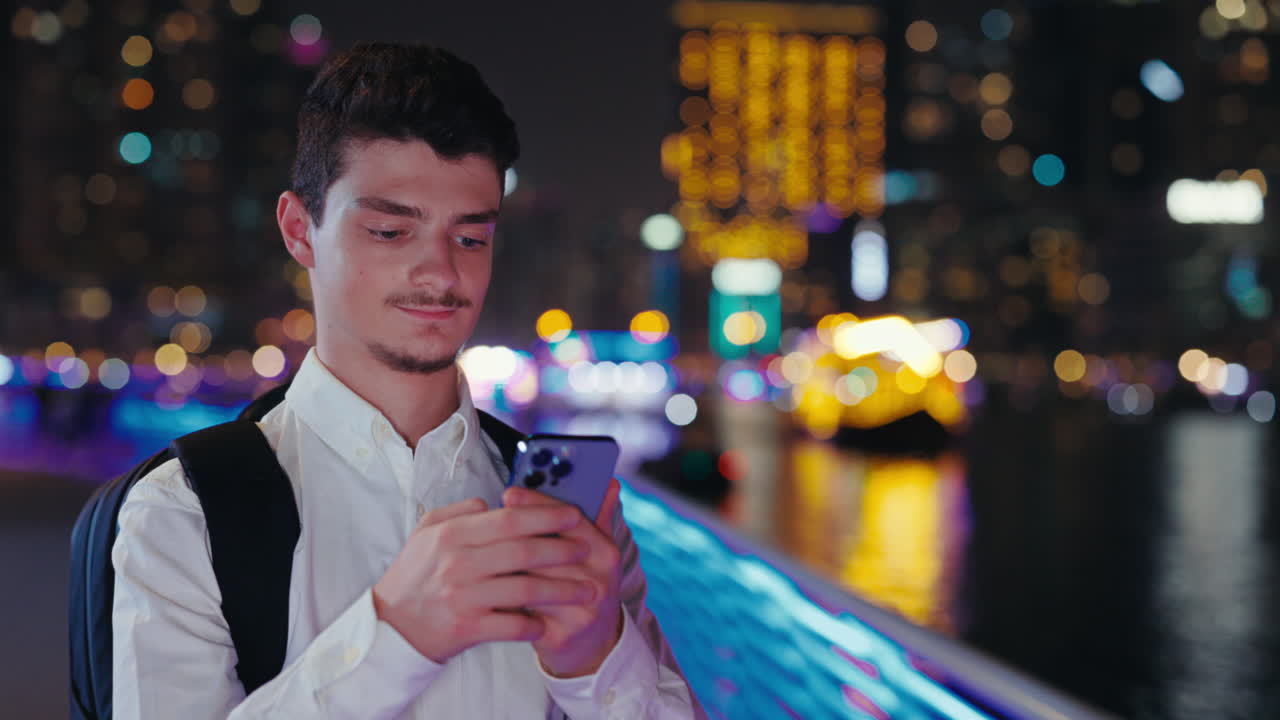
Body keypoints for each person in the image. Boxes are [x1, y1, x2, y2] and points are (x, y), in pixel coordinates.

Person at [112, 42, 705, 719]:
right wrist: (397, 635)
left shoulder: (567, 514)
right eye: (392, 232)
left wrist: (595, 659)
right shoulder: (184, 512)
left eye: (471, 238)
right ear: (300, 231)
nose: (442, 274)